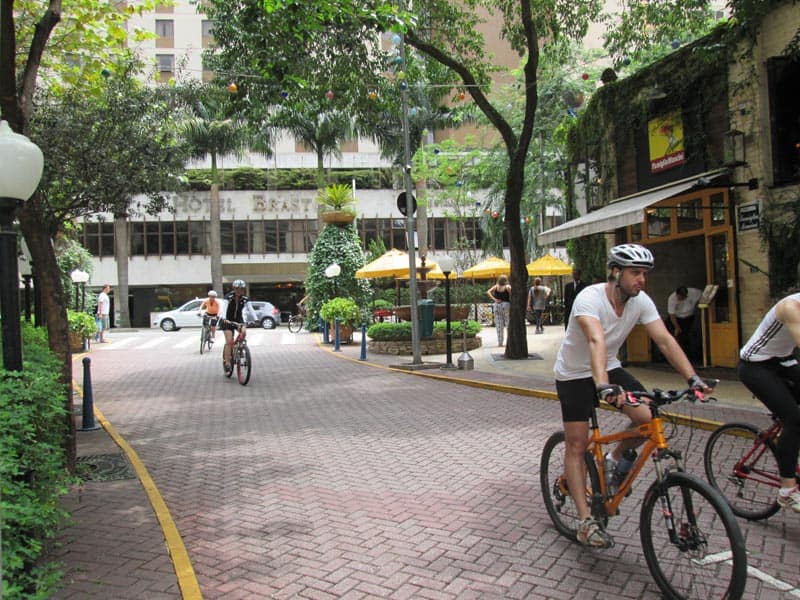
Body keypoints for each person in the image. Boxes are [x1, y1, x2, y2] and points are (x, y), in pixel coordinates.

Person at [554, 244, 710, 547]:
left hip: (609, 367)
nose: (642, 280)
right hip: (574, 374)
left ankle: (612, 459)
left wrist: (693, 379)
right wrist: (603, 386)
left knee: (647, 417)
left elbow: (665, 340)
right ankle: (585, 522)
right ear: (616, 272)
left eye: (644, 274)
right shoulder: (589, 298)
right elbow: (596, 339)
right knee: (577, 443)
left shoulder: (641, 302)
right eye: (635, 273)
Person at [738, 293, 800, 512]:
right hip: (755, 366)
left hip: (783, 360)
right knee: (794, 418)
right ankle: (787, 491)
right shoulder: (791, 307)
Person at [667, 285, 702, 358]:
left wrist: (699, 306)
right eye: (679, 297)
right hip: (677, 317)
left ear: (686, 295)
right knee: (675, 334)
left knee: (685, 335)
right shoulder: (672, 298)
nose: (681, 299)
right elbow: (672, 315)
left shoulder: (695, 292)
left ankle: (686, 354)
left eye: (683, 297)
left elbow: (704, 296)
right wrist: (676, 327)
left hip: (689, 317)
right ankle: (674, 354)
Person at [221, 280, 249, 372]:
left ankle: (239, 348)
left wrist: (256, 319)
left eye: (241, 289)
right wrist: (224, 318)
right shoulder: (228, 297)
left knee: (243, 332)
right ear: (234, 288)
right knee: (229, 341)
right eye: (237, 289)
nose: (239, 291)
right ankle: (227, 362)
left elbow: (249, 309)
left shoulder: (244, 299)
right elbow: (223, 308)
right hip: (227, 321)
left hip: (238, 320)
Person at [487, 275, 511, 346]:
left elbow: (488, 292)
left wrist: (495, 299)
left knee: (499, 325)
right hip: (506, 305)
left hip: (497, 305)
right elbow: (511, 296)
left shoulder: (496, 286)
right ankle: (509, 342)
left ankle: (500, 342)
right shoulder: (507, 287)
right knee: (508, 324)